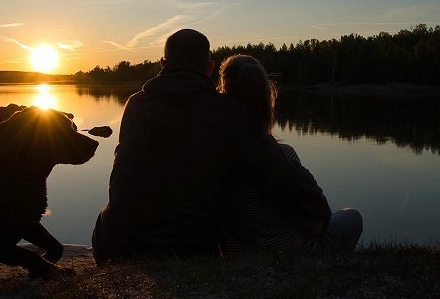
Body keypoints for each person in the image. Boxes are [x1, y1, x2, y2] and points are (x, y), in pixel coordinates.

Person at [91, 29, 332, 263]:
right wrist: (320, 212)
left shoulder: (135, 105)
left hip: (113, 244)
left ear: (163, 63)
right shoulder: (230, 113)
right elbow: (280, 174)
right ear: (209, 68)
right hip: (186, 250)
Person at [217, 54, 363, 253]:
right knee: (352, 217)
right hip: (290, 251)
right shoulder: (282, 156)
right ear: (265, 96)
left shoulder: (212, 155)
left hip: (237, 252)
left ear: (223, 91)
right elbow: (313, 226)